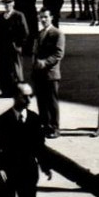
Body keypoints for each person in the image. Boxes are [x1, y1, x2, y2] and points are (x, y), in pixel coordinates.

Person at [31, 9, 65, 137]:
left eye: (45, 17)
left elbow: (59, 53)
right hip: (38, 73)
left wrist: (45, 62)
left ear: (51, 17)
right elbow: (35, 52)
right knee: (41, 101)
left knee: (52, 101)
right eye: (41, 17)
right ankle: (45, 125)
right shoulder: (39, 34)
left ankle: (55, 128)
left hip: (51, 73)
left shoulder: (57, 33)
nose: (43, 20)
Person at [0, 0, 28, 97]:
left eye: (9, 3)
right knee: (4, 69)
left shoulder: (18, 15)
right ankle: (6, 91)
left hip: (14, 46)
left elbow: (25, 31)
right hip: (3, 46)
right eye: (5, 4)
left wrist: (19, 44)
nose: (7, 5)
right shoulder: (1, 16)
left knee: (15, 69)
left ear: (13, 4)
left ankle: (18, 91)